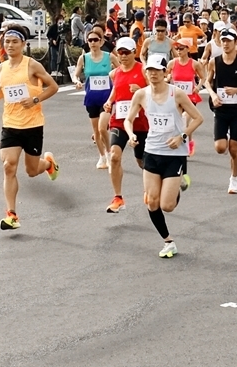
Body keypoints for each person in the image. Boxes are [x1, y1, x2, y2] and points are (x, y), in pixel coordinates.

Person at [125, 54, 204, 258]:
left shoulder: (176, 94)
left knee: (166, 206)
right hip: (151, 151)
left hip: (174, 154)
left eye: (156, 70)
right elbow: (128, 119)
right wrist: (131, 134)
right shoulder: (141, 95)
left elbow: (198, 118)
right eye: (149, 70)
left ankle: (177, 184)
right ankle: (168, 242)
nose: (152, 74)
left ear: (165, 72)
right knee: (152, 202)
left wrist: (182, 136)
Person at [0, 25, 59, 230]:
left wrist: (35, 99)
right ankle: (12, 215)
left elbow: (53, 86)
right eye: (6, 42)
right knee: (9, 166)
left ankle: (48, 164)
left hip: (33, 125)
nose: (10, 45)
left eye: (14, 41)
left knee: (32, 170)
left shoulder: (32, 66)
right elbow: (4, 86)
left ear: (23, 44)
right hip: (10, 124)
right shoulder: (2, 67)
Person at [206, 28, 237, 194]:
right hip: (220, 109)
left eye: (228, 40)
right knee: (220, 148)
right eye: (223, 40)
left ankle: (234, 180)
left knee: (234, 148)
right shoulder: (215, 61)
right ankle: (224, 138)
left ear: (235, 42)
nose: (225, 44)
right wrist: (213, 95)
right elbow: (207, 82)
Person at [103, 37, 148, 213]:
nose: (122, 56)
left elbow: (156, 90)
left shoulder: (143, 70)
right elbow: (116, 90)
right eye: (119, 52)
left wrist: (141, 91)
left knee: (142, 161)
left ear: (133, 53)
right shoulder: (115, 73)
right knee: (114, 156)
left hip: (141, 123)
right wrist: (109, 102)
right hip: (120, 121)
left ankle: (150, 186)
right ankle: (118, 197)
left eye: (126, 52)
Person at [74, 29, 119, 169]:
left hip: (107, 98)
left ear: (101, 42)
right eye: (90, 40)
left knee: (102, 128)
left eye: (95, 40)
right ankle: (102, 156)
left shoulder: (109, 57)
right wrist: (77, 81)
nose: (93, 43)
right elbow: (76, 74)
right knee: (96, 131)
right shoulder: (84, 58)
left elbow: (121, 71)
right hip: (91, 98)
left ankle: (110, 153)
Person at [166, 37, 205, 156]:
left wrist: (198, 87)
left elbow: (203, 77)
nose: (179, 51)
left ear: (188, 49)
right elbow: (166, 76)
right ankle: (184, 141)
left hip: (190, 98)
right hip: (176, 98)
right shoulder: (172, 63)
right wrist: (167, 79)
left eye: (181, 48)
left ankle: (188, 143)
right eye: (177, 48)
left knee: (185, 121)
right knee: (177, 121)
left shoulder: (194, 64)